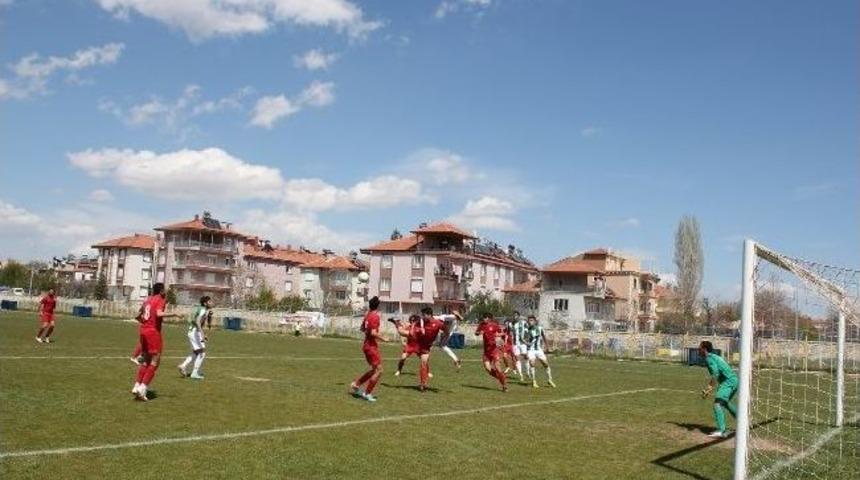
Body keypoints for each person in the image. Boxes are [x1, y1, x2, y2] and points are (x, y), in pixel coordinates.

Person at [131, 283, 182, 401]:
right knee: (155, 361)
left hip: (143, 330)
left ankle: (137, 386)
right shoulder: (160, 299)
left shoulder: (148, 299)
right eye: (165, 289)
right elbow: (159, 313)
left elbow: (138, 316)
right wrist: (174, 314)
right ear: (161, 291)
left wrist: (146, 322)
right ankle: (142, 389)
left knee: (146, 361)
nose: (166, 292)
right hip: (153, 332)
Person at [349, 296, 387, 402]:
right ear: (378, 306)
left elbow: (362, 329)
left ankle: (356, 384)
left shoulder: (367, 315)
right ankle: (367, 393)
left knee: (374, 370)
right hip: (371, 347)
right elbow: (373, 333)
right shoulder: (375, 316)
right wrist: (384, 338)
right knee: (379, 371)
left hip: (366, 345)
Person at [699, 341, 738, 438]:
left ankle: (722, 431)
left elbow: (715, 374)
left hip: (728, 382)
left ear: (704, 349)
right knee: (725, 402)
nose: (698, 350)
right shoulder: (714, 357)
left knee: (717, 404)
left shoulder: (709, 359)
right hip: (734, 381)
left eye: (699, 348)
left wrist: (708, 389)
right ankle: (743, 422)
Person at [178, 296, 211, 380]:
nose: (212, 303)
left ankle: (183, 365)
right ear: (205, 303)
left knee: (196, 352)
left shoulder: (201, 309)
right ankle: (194, 373)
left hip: (193, 331)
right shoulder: (203, 310)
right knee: (202, 353)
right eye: (210, 301)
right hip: (194, 332)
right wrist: (202, 335)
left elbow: (198, 321)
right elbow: (197, 321)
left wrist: (202, 333)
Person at [416, 307, 447, 391]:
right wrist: (419, 329)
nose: (422, 316)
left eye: (424, 315)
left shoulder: (437, 323)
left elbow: (446, 329)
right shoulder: (421, 322)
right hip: (416, 343)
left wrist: (444, 338)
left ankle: (423, 384)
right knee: (424, 363)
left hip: (425, 347)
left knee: (423, 363)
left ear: (429, 315)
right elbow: (414, 327)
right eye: (422, 315)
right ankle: (397, 325)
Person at [475, 312, 507, 392]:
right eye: (483, 317)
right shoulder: (481, 325)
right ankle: (501, 378)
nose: (484, 319)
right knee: (488, 369)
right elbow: (476, 333)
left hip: (494, 350)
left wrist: (501, 340)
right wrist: (479, 333)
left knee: (498, 368)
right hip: (486, 352)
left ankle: (504, 385)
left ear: (489, 318)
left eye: (485, 317)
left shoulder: (494, 325)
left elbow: (502, 333)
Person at [525, 315, 555, 388]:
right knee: (532, 363)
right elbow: (524, 339)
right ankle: (534, 381)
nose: (530, 322)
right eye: (529, 321)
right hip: (530, 349)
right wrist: (526, 345)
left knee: (545, 364)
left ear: (535, 321)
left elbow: (544, 337)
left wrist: (547, 346)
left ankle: (550, 380)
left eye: (531, 320)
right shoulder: (527, 330)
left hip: (538, 349)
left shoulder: (540, 328)